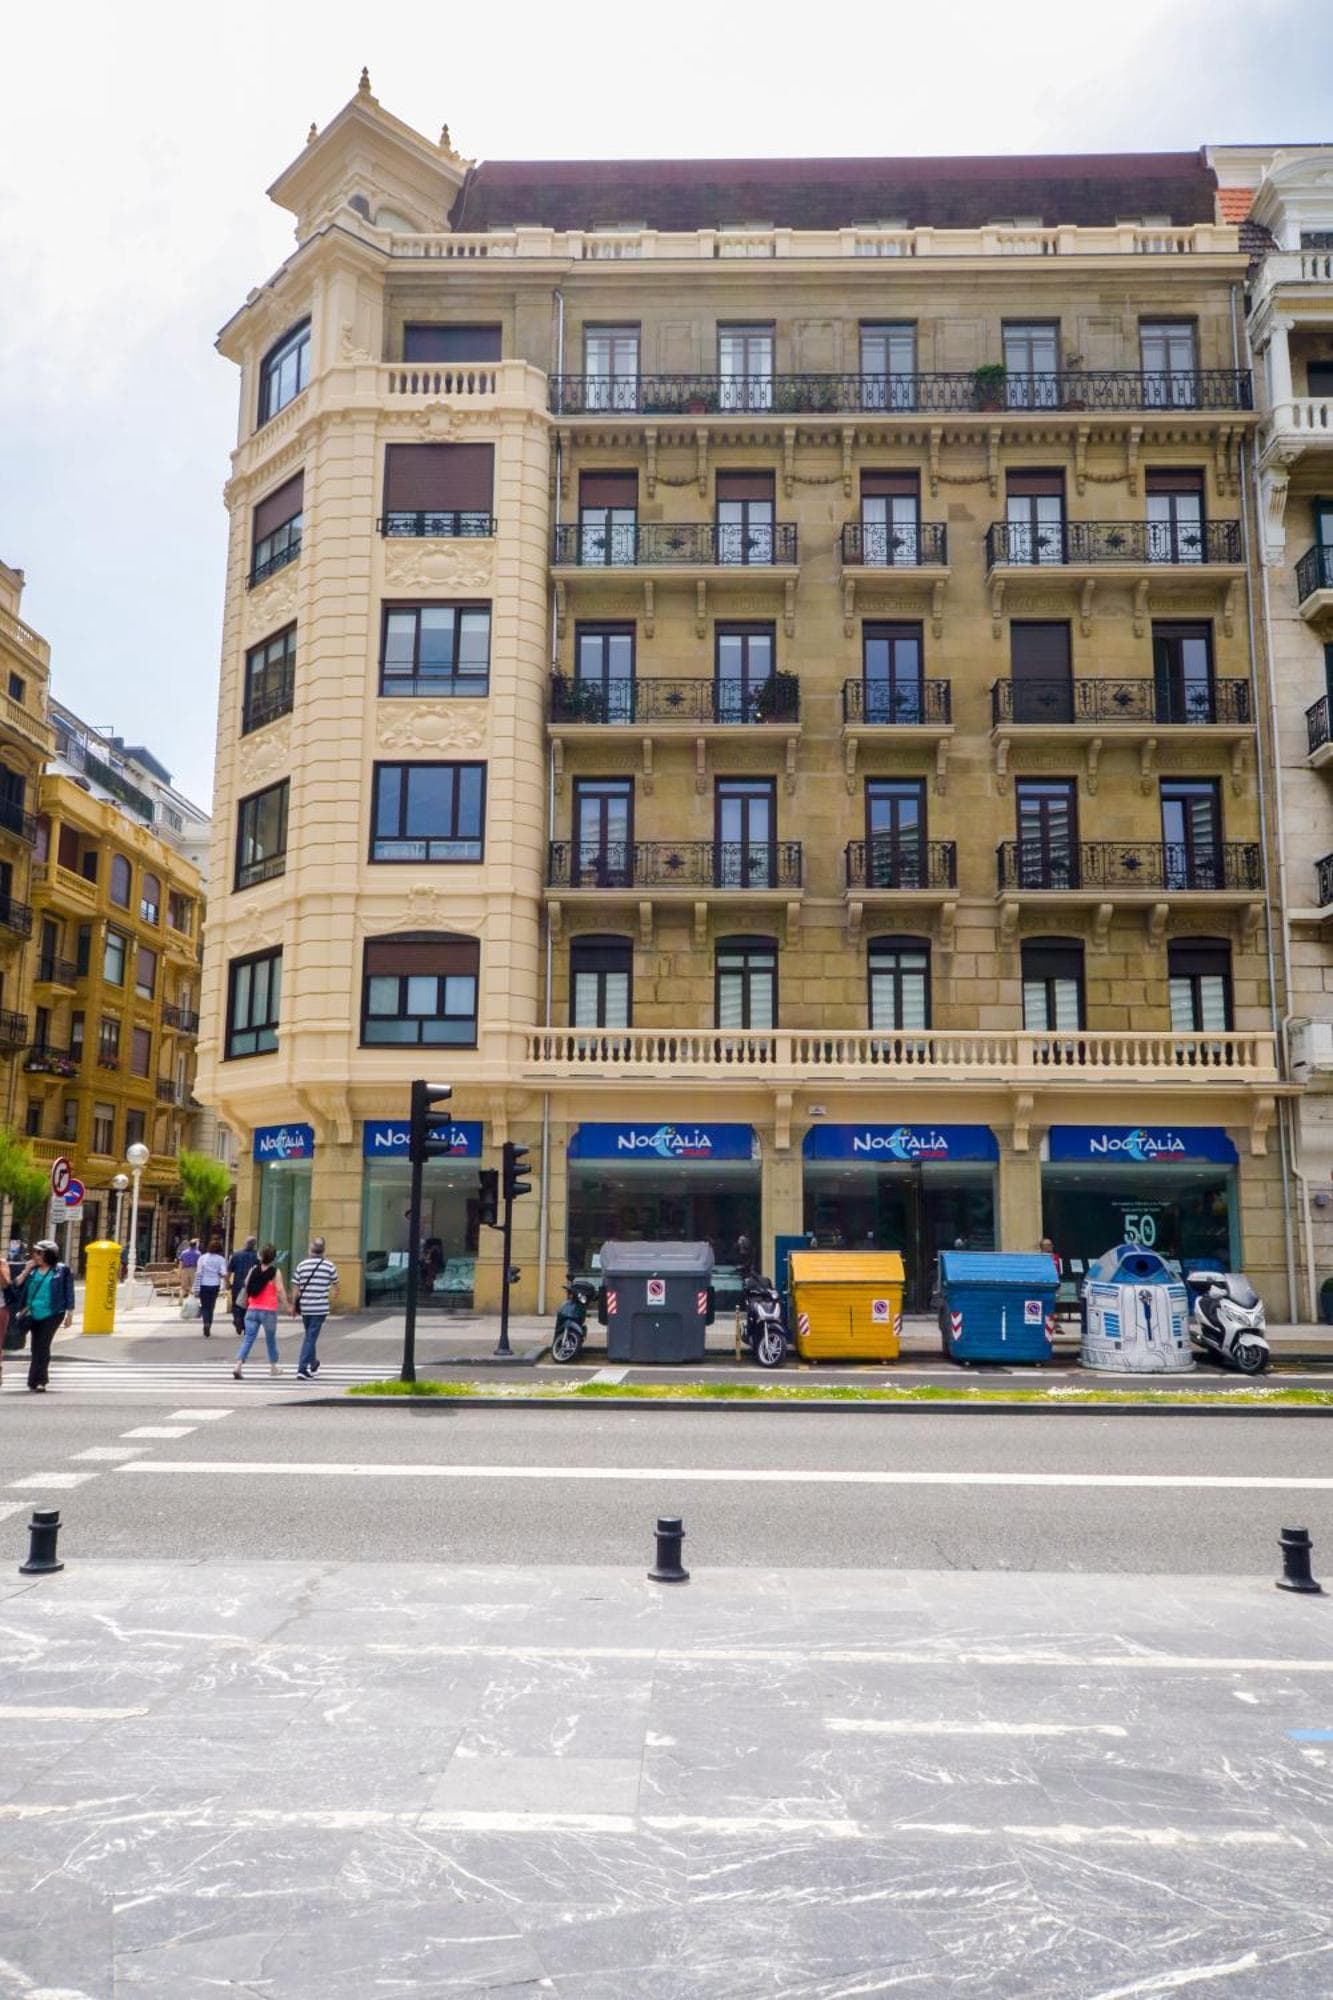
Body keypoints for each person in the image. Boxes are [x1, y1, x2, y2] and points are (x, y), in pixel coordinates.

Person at [18, 1241, 75, 1392]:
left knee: (43, 1345)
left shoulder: (62, 1270)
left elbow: (69, 1292)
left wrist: (70, 1313)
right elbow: (16, 1285)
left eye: (39, 1252)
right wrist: (26, 1270)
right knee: (35, 1346)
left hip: (53, 1313)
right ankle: (33, 1379)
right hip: (32, 1313)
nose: (35, 1255)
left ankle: (40, 1380)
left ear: (48, 1254)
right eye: (35, 1252)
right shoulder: (32, 1270)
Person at [234, 1243, 289, 1380]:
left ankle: (238, 1365)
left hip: (252, 1309)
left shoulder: (253, 1269)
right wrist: (287, 1305)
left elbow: (246, 1284)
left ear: (260, 1256)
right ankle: (273, 1367)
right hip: (268, 1310)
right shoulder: (275, 1272)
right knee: (270, 1339)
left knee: (248, 1339)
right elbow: (280, 1290)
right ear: (274, 1258)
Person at [291, 1236, 339, 1381]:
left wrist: (293, 1305)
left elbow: (296, 1287)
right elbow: (336, 1286)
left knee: (309, 1336)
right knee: (310, 1338)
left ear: (311, 1249)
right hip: (320, 1308)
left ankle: (313, 1364)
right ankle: (302, 1369)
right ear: (323, 1250)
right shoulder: (329, 1266)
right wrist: (332, 1292)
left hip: (305, 1307)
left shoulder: (302, 1265)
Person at [195, 1235, 227, 1337]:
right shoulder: (221, 1259)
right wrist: (219, 1274)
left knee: (204, 1305)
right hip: (215, 1284)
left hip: (204, 1284)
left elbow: (199, 1272)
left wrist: (195, 1287)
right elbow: (224, 1273)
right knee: (211, 1306)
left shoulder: (202, 1258)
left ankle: (206, 1323)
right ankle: (209, 1323)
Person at [226, 1235, 258, 1336]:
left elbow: (229, 1271)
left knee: (236, 1304)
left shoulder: (236, 1255)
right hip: (252, 1285)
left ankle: (237, 1319)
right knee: (249, 1305)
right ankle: (245, 1324)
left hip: (238, 1284)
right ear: (254, 1245)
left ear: (245, 1243)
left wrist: (227, 1283)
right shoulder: (257, 1256)